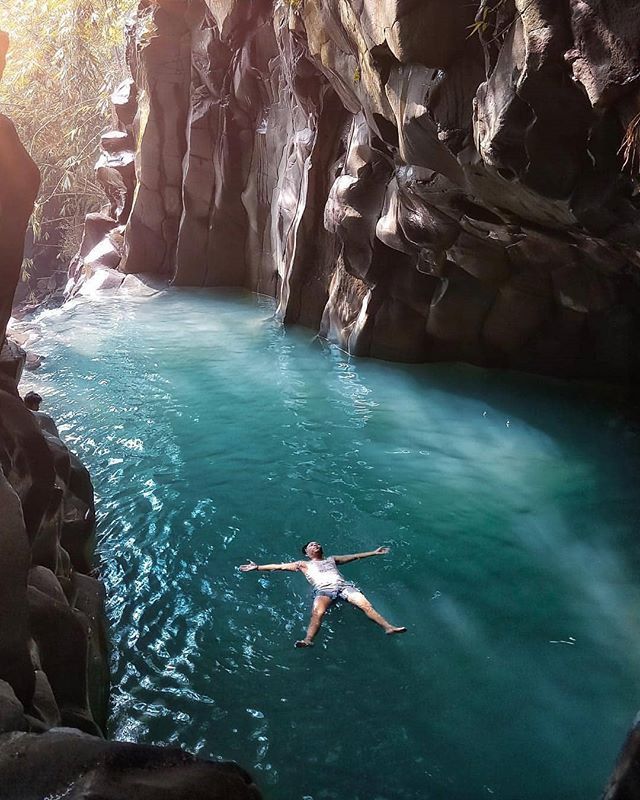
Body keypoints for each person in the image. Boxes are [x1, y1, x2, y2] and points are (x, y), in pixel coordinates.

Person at [240, 541, 406, 648]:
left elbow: (354, 556)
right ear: (306, 552)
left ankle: (388, 628)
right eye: (311, 545)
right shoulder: (302, 564)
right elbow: (279, 566)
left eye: (317, 544)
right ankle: (308, 639)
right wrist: (258, 567)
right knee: (317, 613)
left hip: (344, 586)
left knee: (365, 605)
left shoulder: (332, 560)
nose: (315, 545)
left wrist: (373, 552)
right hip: (324, 590)